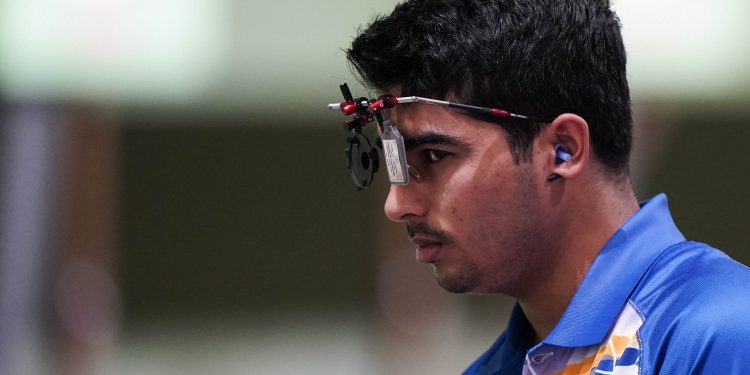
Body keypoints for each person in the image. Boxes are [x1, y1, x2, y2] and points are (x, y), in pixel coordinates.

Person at [333, 0, 750, 374]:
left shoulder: (725, 332)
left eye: (437, 156)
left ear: (563, 149)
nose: (397, 203)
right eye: (397, 164)